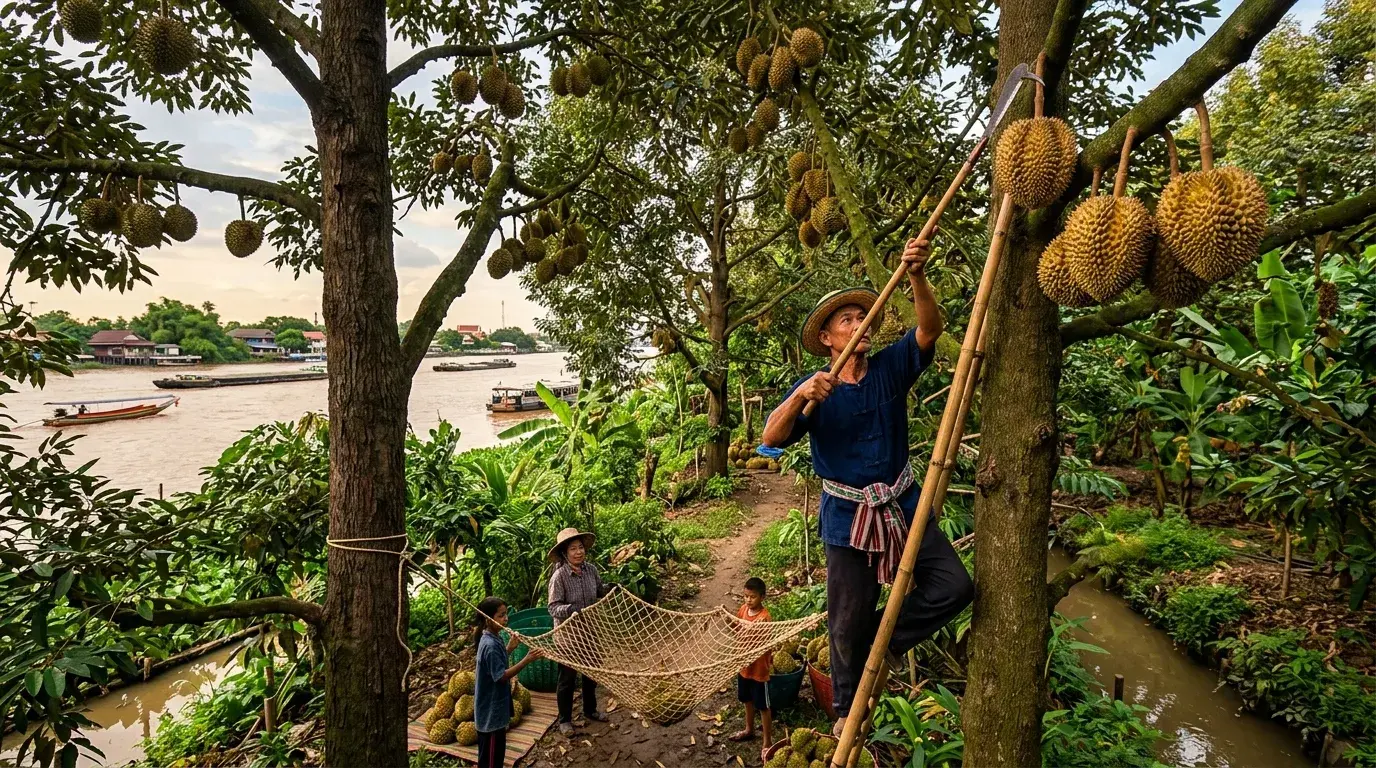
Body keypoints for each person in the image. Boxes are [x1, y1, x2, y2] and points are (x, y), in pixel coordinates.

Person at [761, 235, 974, 738]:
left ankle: (888, 638)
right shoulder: (816, 391)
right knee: (844, 621)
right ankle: (842, 710)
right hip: (846, 517)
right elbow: (770, 438)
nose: (856, 325)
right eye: (846, 321)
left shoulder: (888, 369)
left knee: (954, 586)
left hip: (902, 504)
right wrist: (798, 395)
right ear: (830, 340)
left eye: (862, 318)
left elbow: (929, 329)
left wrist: (917, 275)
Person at [546, 527, 609, 735]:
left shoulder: (591, 570)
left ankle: (590, 710)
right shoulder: (559, 577)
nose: (578, 552)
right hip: (568, 636)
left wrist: (610, 589)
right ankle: (564, 720)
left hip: (590, 631)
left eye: (580, 547)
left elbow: (599, 590)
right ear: (565, 553)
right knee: (567, 679)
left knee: (591, 674)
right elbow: (553, 607)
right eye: (573, 549)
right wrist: (571, 609)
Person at [472, 596, 544, 768]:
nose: (506, 619)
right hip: (490, 713)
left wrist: (510, 648)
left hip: (496, 710)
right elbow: (501, 676)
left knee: (497, 756)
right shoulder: (489, 644)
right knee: (490, 761)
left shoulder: (494, 636)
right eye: (501, 616)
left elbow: (497, 662)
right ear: (488, 619)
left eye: (506, 614)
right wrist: (526, 660)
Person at [729, 577, 774, 747]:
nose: (748, 600)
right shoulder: (742, 610)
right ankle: (749, 729)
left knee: (763, 706)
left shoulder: (765, 617)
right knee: (746, 700)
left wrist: (759, 627)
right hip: (744, 667)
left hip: (759, 671)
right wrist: (727, 618)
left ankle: (767, 743)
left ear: (762, 597)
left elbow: (766, 641)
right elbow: (736, 628)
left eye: (752, 597)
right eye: (746, 596)